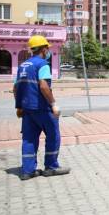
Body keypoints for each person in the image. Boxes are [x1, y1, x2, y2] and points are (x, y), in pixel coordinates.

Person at [13, 35, 70, 180]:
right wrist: (54, 104)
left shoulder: (22, 66)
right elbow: (44, 86)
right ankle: (51, 167)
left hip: (27, 109)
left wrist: (19, 106)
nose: (48, 51)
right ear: (44, 49)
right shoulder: (42, 64)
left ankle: (28, 171)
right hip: (42, 108)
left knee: (29, 139)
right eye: (47, 48)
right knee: (53, 136)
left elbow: (15, 88)